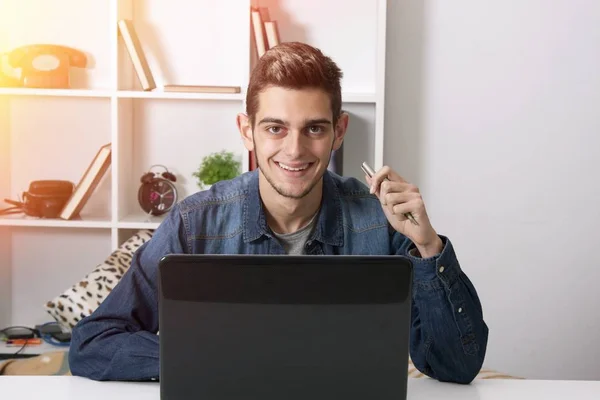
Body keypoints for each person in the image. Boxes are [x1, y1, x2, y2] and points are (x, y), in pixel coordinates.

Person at [69, 42, 489, 384]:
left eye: (314, 128)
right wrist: (211, 360)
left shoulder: (381, 221)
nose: (295, 150)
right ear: (245, 130)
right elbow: (93, 343)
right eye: (275, 128)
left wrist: (428, 246)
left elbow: (457, 366)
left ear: (338, 132)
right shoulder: (193, 223)